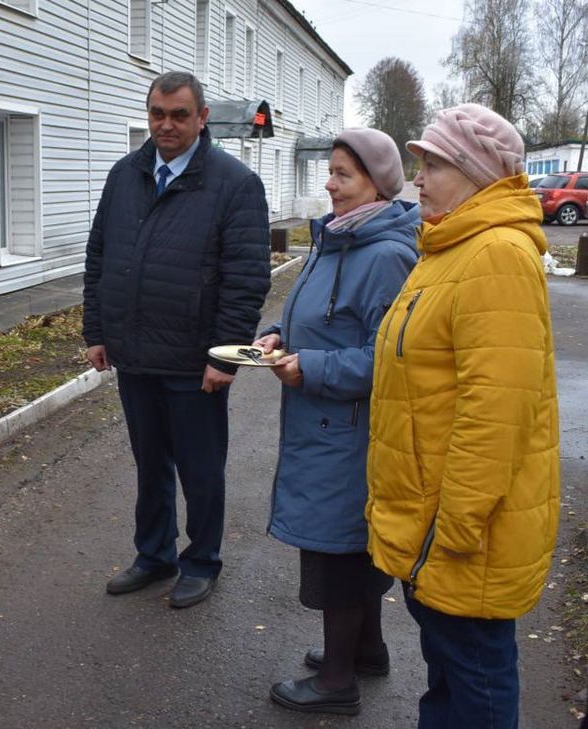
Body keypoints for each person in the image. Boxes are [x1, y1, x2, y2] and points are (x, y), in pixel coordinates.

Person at [366, 103, 560, 729]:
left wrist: (453, 528)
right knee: (449, 678)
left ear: (477, 174)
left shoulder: (495, 254)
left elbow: (494, 417)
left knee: (475, 680)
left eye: (434, 164)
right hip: (435, 519)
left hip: (461, 532)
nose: (418, 178)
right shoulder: (448, 247)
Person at [82, 71, 271, 609]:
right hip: (134, 353)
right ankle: (154, 555)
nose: (166, 125)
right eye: (157, 114)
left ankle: (202, 560)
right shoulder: (126, 174)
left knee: (200, 466)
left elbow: (246, 278)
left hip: (195, 361)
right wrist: (96, 330)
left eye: (179, 115)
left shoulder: (234, 184)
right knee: (150, 464)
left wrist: (227, 356)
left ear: (202, 117)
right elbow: (100, 257)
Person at [252, 129, 419, 715]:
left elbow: (391, 358)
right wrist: (277, 336)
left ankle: (336, 684)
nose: (329, 183)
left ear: (377, 183)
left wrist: (313, 368)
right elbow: (315, 314)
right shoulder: (340, 241)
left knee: (339, 552)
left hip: (350, 429)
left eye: (343, 174)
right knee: (348, 543)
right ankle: (367, 650)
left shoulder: (386, 255)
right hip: (325, 425)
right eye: (331, 171)